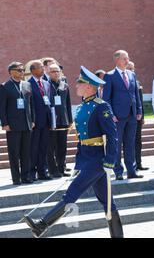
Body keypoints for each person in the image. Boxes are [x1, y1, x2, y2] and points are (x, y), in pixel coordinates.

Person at [24, 66, 123, 238]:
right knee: (108, 203)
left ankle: (42, 225)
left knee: (72, 192)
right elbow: (82, 138)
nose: (76, 85)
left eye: (80, 83)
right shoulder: (83, 106)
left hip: (98, 160)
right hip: (87, 158)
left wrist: (109, 161)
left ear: (89, 87)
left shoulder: (101, 107)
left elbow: (112, 136)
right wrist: (80, 162)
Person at [103, 50, 143, 180]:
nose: (127, 60)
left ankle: (131, 170)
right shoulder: (109, 76)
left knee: (130, 143)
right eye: (124, 58)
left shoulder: (131, 74)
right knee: (117, 143)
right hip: (117, 116)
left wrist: (139, 111)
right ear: (117, 60)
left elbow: (135, 94)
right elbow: (106, 98)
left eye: (128, 58)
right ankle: (118, 171)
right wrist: (111, 114)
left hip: (132, 115)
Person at [0, 62, 34, 185]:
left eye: (23, 70)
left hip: (26, 123)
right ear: (11, 72)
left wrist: (33, 120)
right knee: (14, 152)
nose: (22, 72)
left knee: (26, 152)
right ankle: (16, 178)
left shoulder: (27, 85)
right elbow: (2, 107)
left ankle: (26, 176)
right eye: (19, 70)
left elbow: (31, 105)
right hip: (12, 125)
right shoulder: (5, 86)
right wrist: (4, 123)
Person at [47, 63, 73, 178]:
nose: (56, 73)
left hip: (63, 120)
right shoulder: (46, 85)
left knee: (62, 146)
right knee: (51, 146)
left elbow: (68, 104)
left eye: (58, 71)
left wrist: (70, 121)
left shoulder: (64, 85)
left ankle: (62, 168)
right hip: (51, 121)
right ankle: (53, 170)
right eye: (53, 71)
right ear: (48, 73)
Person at [28, 60, 53, 181]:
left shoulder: (46, 83)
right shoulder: (28, 84)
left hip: (46, 121)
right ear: (33, 70)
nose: (43, 69)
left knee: (44, 147)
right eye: (40, 67)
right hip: (35, 122)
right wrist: (31, 120)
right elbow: (29, 104)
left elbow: (49, 102)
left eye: (43, 67)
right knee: (34, 148)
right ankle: (32, 172)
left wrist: (52, 120)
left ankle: (43, 172)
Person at [127, 61, 148, 171]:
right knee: (128, 142)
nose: (131, 70)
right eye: (129, 68)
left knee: (138, 141)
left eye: (132, 68)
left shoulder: (137, 82)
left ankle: (139, 163)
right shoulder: (122, 82)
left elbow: (140, 100)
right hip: (126, 117)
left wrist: (142, 116)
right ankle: (131, 165)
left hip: (137, 117)